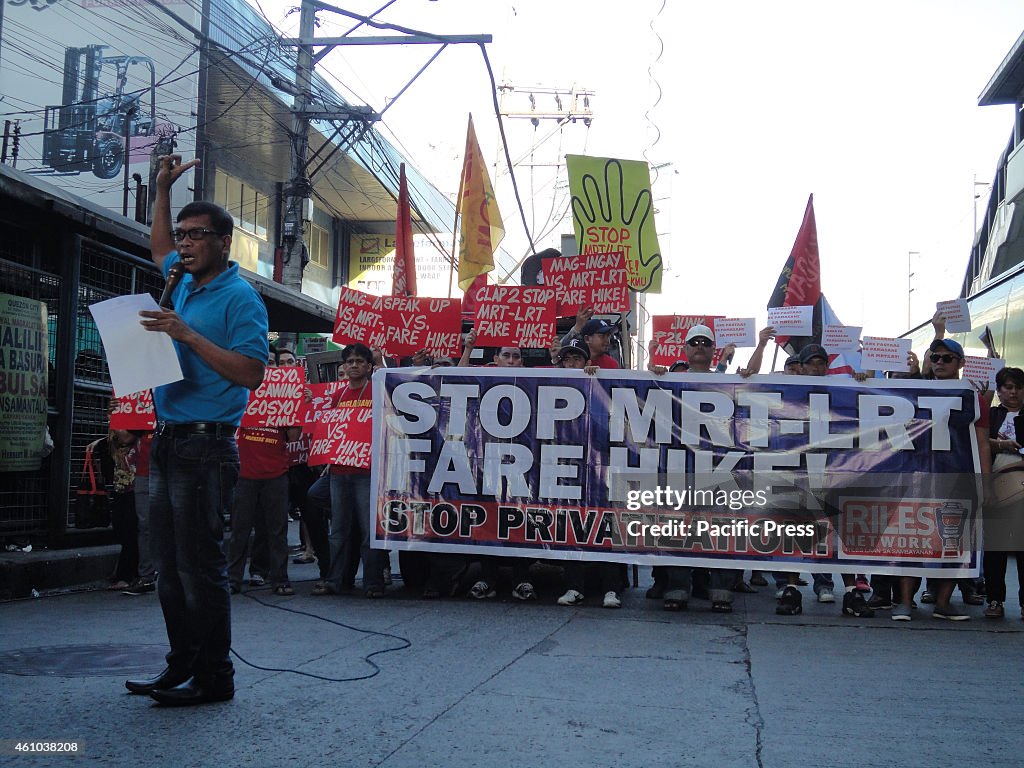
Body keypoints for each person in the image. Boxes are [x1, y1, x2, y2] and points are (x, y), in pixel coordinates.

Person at [125, 154, 268, 706]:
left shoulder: (240, 299)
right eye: (183, 235)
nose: (183, 245)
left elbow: (252, 372)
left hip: (207, 446)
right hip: (167, 440)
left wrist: (186, 336)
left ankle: (214, 677)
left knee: (199, 567)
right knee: (165, 567)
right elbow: (157, 246)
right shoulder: (179, 279)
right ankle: (179, 664)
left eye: (197, 235)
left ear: (224, 242)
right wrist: (161, 188)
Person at [892, 338, 992, 621]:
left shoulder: (972, 398)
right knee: (912, 541)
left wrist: (985, 483)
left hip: (957, 476)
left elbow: (983, 443)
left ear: (961, 363)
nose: (939, 362)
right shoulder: (914, 391)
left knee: (954, 541)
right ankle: (904, 603)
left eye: (947, 358)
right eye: (935, 357)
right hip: (917, 477)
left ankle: (943, 603)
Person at [226, 347, 298, 596]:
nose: (268, 368)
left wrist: (293, 409)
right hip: (245, 472)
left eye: (271, 363)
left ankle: (280, 579)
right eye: (264, 363)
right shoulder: (241, 390)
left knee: (276, 531)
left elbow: (294, 436)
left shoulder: (285, 396)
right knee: (239, 530)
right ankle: (233, 579)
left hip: (276, 473)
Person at [323, 343, 386, 598]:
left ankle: (373, 583)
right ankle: (334, 581)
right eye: (350, 362)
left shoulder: (378, 392)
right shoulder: (336, 396)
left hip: (367, 471)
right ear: (344, 366)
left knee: (369, 530)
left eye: (360, 361)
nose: (354, 365)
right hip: (339, 470)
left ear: (369, 366)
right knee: (338, 531)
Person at [982, 366, 1024, 619]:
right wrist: (1002, 445)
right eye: (1008, 387)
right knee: (995, 549)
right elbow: (977, 442)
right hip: (994, 491)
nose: (1014, 392)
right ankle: (995, 600)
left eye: (1018, 387)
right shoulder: (991, 415)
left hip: (1020, 492)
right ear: (998, 391)